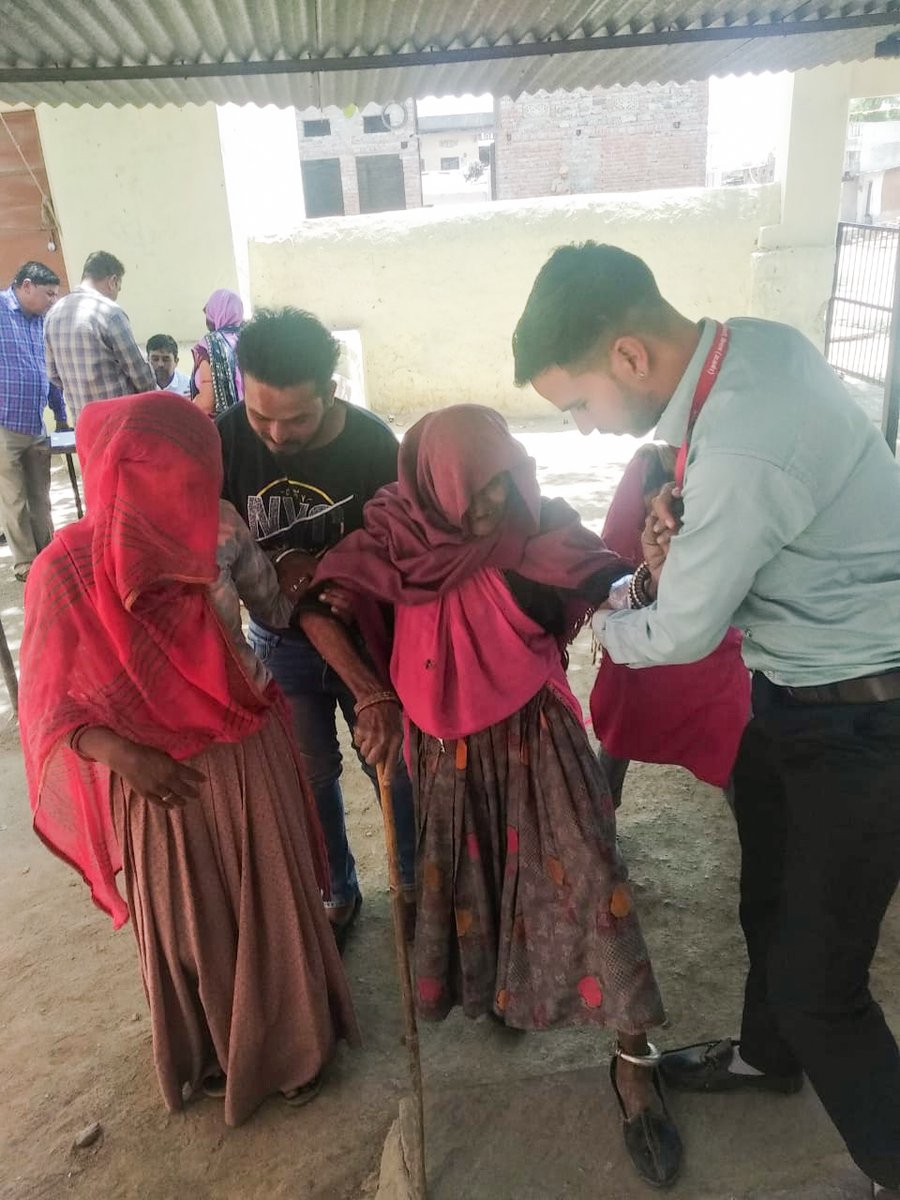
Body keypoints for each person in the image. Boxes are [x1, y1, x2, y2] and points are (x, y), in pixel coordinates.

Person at [513, 241, 900, 1199]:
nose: (586, 427)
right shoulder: (750, 350)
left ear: (631, 356)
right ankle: (766, 1061)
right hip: (796, 691)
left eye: (578, 403)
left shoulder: (746, 440)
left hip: (870, 721)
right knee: (765, 896)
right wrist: (666, 560)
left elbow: (683, 631)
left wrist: (606, 615)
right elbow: (704, 565)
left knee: (822, 987)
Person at [316, 405, 684, 1189]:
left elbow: (612, 588)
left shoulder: (538, 527)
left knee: (594, 886)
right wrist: (370, 697)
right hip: (442, 753)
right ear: (431, 484)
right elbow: (318, 604)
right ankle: (503, 999)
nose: (490, 509)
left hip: (537, 734)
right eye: (474, 493)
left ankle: (632, 1061)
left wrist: (651, 568)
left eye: (502, 486)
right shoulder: (392, 537)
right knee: (471, 893)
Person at [19, 392, 358, 1127]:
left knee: (271, 903)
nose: (177, 479)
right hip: (156, 778)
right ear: (115, 467)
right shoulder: (63, 570)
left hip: (247, 747)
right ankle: (215, 1050)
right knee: (188, 921)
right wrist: (120, 754)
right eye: (156, 463)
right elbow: (50, 706)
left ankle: (292, 1050)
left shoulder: (222, 525)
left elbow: (272, 610)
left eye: (190, 461)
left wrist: (314, 582)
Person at [218, 306, 417, 948]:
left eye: (297, 418)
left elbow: (400, 549)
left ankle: (414, 882)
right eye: (260, 415)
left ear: (332, 392)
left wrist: (357, 584)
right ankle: (338, 887)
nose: (275, 434)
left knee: (391, 767)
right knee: (310, 775)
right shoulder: (223, 440)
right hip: (277, 644)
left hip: (367, 644)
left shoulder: (371, 444)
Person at [591, 442, 750, 807]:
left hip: (649, 638)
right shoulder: (726, 459)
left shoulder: (651, 463)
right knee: (731, 745)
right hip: (708, 635)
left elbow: (611, 551)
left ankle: (599, 833)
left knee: (620, 737)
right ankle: (756, 840)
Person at [0, 261, 66, 581]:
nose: (53, 301)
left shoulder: (42, 321)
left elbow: (49, 372)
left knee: (41, 497)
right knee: (13, 498)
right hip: (4, 426)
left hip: (36, 426)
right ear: (26, 287)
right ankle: (26, 563)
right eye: (48, 294)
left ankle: (48, 553)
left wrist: (62, 416)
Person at [43, 251, 155, 423]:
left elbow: (53, 375)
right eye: (118, 288)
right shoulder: (110, 313)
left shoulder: (53, 314)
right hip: (120, 422)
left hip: (85, 425)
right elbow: (140, 376)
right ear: (113, 281)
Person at [192, 288, 244, 416]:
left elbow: (207, 402)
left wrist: (188, 405)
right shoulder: (252, 339)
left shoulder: (209, 345)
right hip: (254, 421)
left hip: (223, 426)